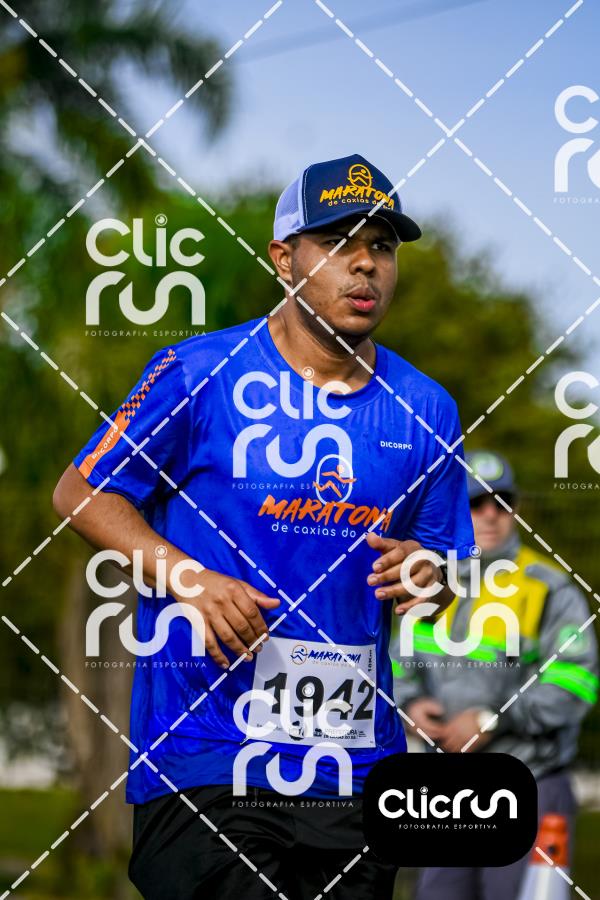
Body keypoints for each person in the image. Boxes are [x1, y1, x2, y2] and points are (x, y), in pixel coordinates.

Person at [53, 153, 474, 899]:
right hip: (209, 754)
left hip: (354, 770)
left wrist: (428, 577)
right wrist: (191, 579)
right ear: (285, 259)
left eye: (382, 247)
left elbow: (443, 571)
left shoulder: (427, 409)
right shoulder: (198, 373)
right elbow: (81, 491)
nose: (366, 266)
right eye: (338, 244)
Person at [392, 450, 599, 900]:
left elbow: (576, 681)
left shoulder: (550, 587)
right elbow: (398, 662)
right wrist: (410, 705)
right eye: (476, 501)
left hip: (533, 782)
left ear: (515, 509)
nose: (490, 513)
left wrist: (493, 718)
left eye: (502, 502)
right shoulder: (433, 583)